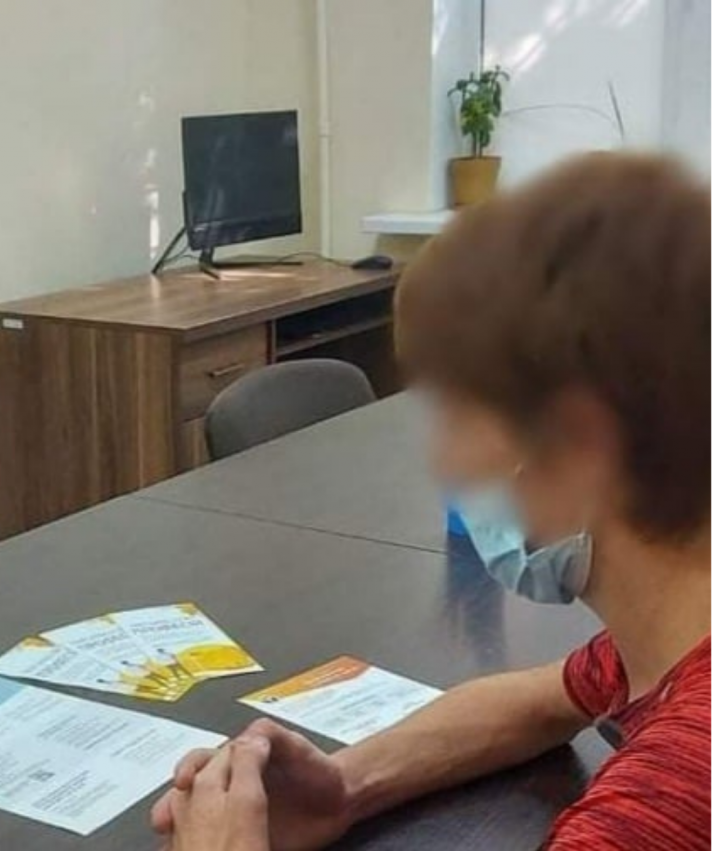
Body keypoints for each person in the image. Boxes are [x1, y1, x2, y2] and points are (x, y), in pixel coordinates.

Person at [151, 152, 710, 850]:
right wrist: (346, 786)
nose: (445, 462)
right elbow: (543, 698)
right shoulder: (671, 638)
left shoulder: (673, 792)